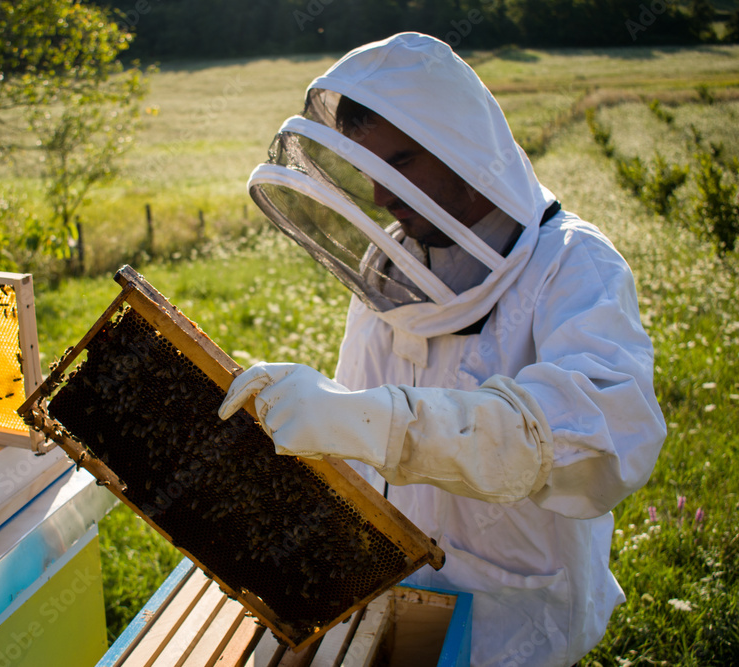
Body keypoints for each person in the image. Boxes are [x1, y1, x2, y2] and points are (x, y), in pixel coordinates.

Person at [218, 32, 666, 666]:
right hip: (387, 591)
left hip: (517, 614)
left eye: (400, 163)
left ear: (468, 150)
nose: (380, 195)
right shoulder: (391, 270)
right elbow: (357, 430)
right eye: (369, 168)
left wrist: (379, 421)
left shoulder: (573, 265)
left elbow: (603, 443)